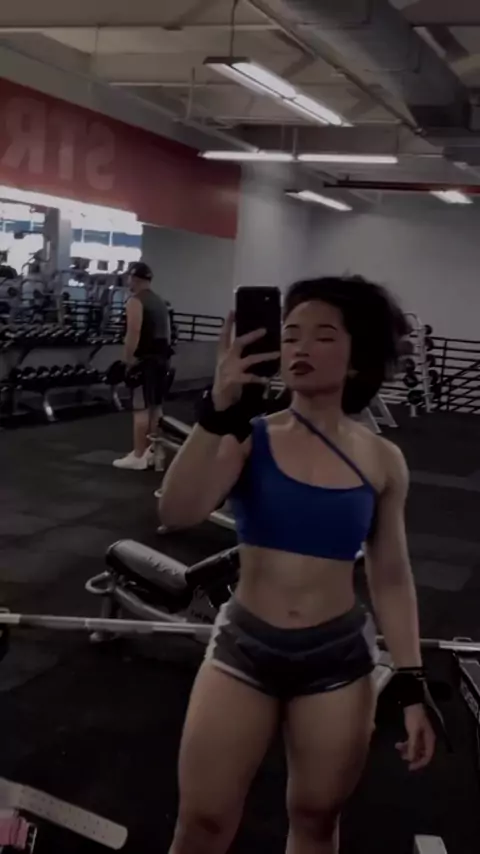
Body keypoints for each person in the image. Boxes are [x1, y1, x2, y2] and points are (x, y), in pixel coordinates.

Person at [159, 276, 436, 854]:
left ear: (357, 357)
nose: (301, 347)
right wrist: (217, 411)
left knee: (315, 817)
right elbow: (177, 511)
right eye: (290, 336)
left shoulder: (384, 459)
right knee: (203, 820)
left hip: (338, 658)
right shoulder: (247, 436)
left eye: (323, 335)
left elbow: (391, 575)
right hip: (244, 649)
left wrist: (411, 680)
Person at [113, 261, 171, 471]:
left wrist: (127, 361)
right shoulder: (160, 302)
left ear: (134, 278)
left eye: (129, 278)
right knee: (155, 407)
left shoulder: (136, 301)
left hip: (144, 360)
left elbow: (134, 332)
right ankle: (152, 451)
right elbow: (167, 334)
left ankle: (138, 455)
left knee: (140, 408)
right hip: (161, 359)